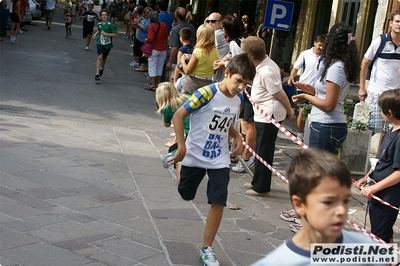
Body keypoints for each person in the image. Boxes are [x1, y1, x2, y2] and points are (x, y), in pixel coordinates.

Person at [170, 53, 256, 266]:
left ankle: (207, 249)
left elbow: (226, 121)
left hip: (219, 157)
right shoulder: (206, 93)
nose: (241, 87)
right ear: (227, 73)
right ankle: (179, 163)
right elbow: (178, 115)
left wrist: (236, 136)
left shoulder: (239, 98)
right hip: (194, 153)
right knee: (185, 193)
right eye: (238, 81)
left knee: (219, 199)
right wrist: (181, 147)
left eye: (245, 84)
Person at [251, 149, 386, 266]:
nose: (341, 211)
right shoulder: (277, 263)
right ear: (299, 204)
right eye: (328, 202)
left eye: (345, 201)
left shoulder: (366, 248)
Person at [292, 23, 360, 154]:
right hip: (329, 125)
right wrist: (311, 90)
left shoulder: (336, 68)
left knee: (317, 171)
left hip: (326, 125)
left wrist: (306, 97)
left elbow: (329, 105)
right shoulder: (338, 65)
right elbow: (329, 93)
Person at [241, 36, 295, 197]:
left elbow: (281, 94)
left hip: (268, 114)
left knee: (264, 150)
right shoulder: (263, 65)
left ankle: (262, 187)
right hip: (263, 113)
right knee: (261, 148)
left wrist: (290, 111)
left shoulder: (267, 71)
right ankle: (257, 180)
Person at [356, 89, 400, 244]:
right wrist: (367, 177)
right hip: (378, 193)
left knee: (378, 235)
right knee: (383, 231)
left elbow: (399, 173)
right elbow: (382, 161)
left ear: (389, 113)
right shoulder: (391, 132)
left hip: (387, 196)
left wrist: (373, 188)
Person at [358, 10, 400, 144]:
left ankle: (382, 159)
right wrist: (362, 87)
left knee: (393, 130)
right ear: (391, 23)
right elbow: (364, 63)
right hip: (377, 92)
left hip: (396, 94)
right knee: (374, 127)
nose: (399, 24)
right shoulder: (380, 41)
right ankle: (360, 153)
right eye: (397, 21)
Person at [287, 34, 325, 141]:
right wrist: (291, 77)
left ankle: (311, 134)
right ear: (315, 43)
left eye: (323, 46)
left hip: (316, 89)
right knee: (302, 111)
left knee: (314, 112)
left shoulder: (326, 57)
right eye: (320, 45)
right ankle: (299, 134)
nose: (321, 48)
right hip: (303, 87)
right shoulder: (305, 54)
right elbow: (296, 67)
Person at [156, 82, 190, 184]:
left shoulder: (168, 107)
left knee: (178, 156)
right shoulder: (187, 97)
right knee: (175, 149)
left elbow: (166, 124)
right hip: (201, 128)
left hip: (192, 134)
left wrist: (162, 110)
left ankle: (181, 183)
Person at [179, 24, 219, 95]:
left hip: (193, 83)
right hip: (208, 84)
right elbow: (214, 70)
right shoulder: (216, 51)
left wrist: (182, 61)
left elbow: (187, 71)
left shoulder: (198, 51)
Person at [166, 7, 196, 83]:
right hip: (190, 59)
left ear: (176, 16)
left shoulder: (176, 29)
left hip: (177, 60)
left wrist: (170, 60)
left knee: (173, 79)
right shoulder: (192, 27)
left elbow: (174, 47)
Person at [144, 12, 168, 91]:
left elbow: (151, 38)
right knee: (160, 67)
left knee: (153, 66)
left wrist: (146, 40)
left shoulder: (151, 26)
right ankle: (158, 84)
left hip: (154, 49)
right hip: (163, 49)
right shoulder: (163, 25)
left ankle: (153, 85)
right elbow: (166, 37)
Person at [93, 9, 118, 81]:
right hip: (100, 42)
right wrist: (95, 34)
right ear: (100, 16)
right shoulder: (99, 24)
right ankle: (97, 74)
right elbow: (99, 30)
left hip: (108, 44)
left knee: (104, 58)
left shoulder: (111, 25)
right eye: (102, 15)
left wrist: (106, 34)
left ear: (108, 16)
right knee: (100, 57)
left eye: (105, 15)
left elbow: (115, 35)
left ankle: (102, 68)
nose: (104, 16)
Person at [206, 12, 229, 83]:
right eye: (208, 21)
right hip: (221, 69)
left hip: (218, 71)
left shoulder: (217, 34)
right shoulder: (222, 33)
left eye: (213, 21)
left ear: (221, 23)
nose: (210, 23)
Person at [131, 6, 152, 72]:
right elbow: (137, 24)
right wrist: (137, 23)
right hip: (139, 38)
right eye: (145, 12)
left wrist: (137, 24)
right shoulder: (144, 19)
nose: (146, 13)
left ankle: (142, 66)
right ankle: (138, 62)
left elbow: (145, 29)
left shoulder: (149, 20)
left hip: (144, 39)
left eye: (148, 12)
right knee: (137, 50)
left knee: (143, 54)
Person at [173, 27, 194, 92]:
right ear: (190, 38)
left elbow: (178, 65)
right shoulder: (194, 48)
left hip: (182, 74)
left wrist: (174, 80)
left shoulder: (181, 50)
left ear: (181, 38)